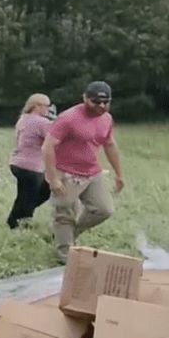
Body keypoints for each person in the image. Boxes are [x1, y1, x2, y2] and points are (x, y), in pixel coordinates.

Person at [43, 81, 124, 263]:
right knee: (65, 214)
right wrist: (53, 179)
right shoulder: (68, 118)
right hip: (66, 172)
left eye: (106, 102)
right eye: (96, 102)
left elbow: (109, 144)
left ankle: (67, 235)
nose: (101, 106)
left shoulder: (106, 119)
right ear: (85, 98)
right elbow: (47, 147)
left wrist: (119, 174)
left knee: (104, 209)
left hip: (92, 172)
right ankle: (65, 257)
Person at [6, 93, 53, 228]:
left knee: (29, 194)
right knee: (30, 196)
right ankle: (20, 222)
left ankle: (16, 218)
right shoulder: (41, 122)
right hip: (31, 166)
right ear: (37, 106)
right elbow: (53, 139)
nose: (48, 110)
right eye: (46, 106)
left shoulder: (23, 119)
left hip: (17, 162)